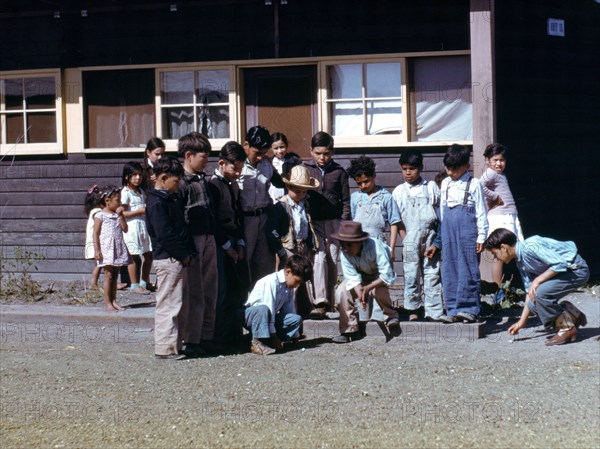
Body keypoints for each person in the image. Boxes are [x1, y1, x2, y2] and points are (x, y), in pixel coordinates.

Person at [484, 228, 589, 346]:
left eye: (495, 254)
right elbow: (530, 290)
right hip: (565, 273)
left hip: (576, 270)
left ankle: (567, 329)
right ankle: (572, 314)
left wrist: (538, 280)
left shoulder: (530, 246)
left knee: (541, 293)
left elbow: (560, 264)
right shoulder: (520, 261)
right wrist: (521, 322)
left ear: (504, 247)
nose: (496, 258)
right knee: (533, 304)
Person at [145, 156, 195, 359]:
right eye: (175, 181)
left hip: (176, 258)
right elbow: (165, 234)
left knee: (177, 302)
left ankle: (175, 343)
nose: (177, 185)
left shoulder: (167, 199)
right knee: (168, 303)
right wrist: (182, 254)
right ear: (163, 178)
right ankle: (165, 348)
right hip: (169, 258)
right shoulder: (157, 203)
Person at [392, 151, 448, 322]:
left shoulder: (430, 187)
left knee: (432, 274)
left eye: (412, 169)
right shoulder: (399, 192)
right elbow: (397, 220)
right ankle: (413, 309)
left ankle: (433, 311)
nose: (408, 172)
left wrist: (436, 243)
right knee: (411, 275)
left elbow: (440, 217)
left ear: (421, 168)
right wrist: (406, 238)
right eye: (404, 169)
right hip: (409, 238)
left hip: (430, 238)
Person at [177, 132, 219, 355]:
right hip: (193, 240)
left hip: (209, 237)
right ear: (189, 155)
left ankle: (207, 335)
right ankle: (191, 339)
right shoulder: (181, 182)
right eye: (203, 157)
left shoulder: (204, 179)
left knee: (210, 288)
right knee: (195, 292)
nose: (206, 161)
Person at [208, 141, 250, 347]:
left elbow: (238, 213)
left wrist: (240, 243)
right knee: (221, 290)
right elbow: (214, 220)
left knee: (237, 288)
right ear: (222, 163)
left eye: (241, 169)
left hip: (235, 240)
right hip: (221, 243)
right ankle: (218, 336)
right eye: (235, 168)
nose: (238, 173)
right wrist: (228, 247)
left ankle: (233, 332)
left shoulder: (234, 184)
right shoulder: (213, 186)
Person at [440, 144, 488, 323]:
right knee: (449, 266)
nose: (450, 172)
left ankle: (469, 308)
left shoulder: (473, 184)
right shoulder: (445, 183)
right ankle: (452, 307)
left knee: (467, 266)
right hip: (448, 228)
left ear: (465, 166)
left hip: (467, 228)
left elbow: (481, 211)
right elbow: (443, 211)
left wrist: (481, 236)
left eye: (454, 169)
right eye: (448, 168)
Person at [304, 132, 351, 314]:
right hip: (314, 222)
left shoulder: (339, 172)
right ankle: (320, 301)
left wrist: (344, 224)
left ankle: (330, 302)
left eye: (326, 153)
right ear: (311, 151)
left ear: (332, 152)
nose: (322, 158)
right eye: (317, 153)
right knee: (319, 258)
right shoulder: (306, 169)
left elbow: (345, 201)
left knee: (332, 259)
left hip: (334, 223)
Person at [331, 221, 400, 343]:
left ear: (359, 241)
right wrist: (361, 295)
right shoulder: (345, 253)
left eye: (349, 245)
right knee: (342, 291)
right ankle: (349, 330)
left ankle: (391, 317)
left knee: (379, 290)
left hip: (379, 274)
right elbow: (352, 278)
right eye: (343, 245)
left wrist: (368, 289)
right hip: (361, 275)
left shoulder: (375, 246)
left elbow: (386, 274)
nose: (346, 249)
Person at [267, 165, 320, 319]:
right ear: (288, 187)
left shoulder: (304, 205)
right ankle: (289, 311)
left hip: (301, 244)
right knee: (291, 280)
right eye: (297, 191)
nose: (300, 194)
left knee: (303, 277)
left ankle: (305, 307)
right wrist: (279, 249)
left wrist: (310, 243)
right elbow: (273, 230)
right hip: (288, 246)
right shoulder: (281, 206)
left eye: (304, 191)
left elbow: (306, 224)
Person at [238, 125, 285, 285]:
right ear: (246, 145)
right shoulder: (237, 164)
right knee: (244, 261)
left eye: (264, 154)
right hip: (245, 219)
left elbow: (281, 183)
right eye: (257, 153)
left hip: (264, 217)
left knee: (265, 261)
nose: (260, 157)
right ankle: (244, 301)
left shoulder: (266, 164)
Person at [242, 255, 313, 355]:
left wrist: (295, 335)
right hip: (253, 316)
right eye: (297, 281)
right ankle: (258, 342)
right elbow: (269, 308)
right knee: (263, 309)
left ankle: (263, 339)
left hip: (269, 318)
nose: (297, 285)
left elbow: (290, 309)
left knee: (296, 319)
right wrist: (274, 335)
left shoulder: (289, 287)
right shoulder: (271, 282)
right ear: (288, 272)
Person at [479, 143, 524, 296]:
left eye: (502, 160)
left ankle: (523, 287)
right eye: (495, 160)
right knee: (500, 255)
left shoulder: (500, 174)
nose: (499, 163)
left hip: (509, 215)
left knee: (518, 250)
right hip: (500, 217)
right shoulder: (490, 173)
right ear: (487, 160)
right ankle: (498, 293)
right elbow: (479, 185)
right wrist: (494, 197)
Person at [347, 155, 401, 260]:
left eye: (366, 181)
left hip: (379, 246)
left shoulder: (386, 197)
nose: (363, 186)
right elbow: (352, 223)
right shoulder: (355, 198)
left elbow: (394, 224)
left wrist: (391, 249)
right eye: (359, 183)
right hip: (359, 247)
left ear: (374, 175)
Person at [93, 185, 131, 312]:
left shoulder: (117, 215)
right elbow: (96, 233)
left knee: (115, 276)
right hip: (107, 249)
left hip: (118, 248)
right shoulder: (100, 215)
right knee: (108, 275)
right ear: (107, 201)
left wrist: (121, 216)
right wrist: (97, 249)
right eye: (117, 201)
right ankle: (107, 303)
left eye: (120, 200)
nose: (119, 203)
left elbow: (125, 229)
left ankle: (114, 301)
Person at [121, 162, 153, 294]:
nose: (138, 178)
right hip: (132, 227)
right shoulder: (125, 192)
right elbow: (121, 213)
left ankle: (144, 282)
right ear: (127, 176)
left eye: (140, 175)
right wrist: (138, 212)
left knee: (149, 254)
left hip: (143, 227)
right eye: (134, 175)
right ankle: (134, 285)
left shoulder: (140, 191)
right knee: (134, 257)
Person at [268, 132, 302, 203]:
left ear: (286, 146)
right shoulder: (268, 162)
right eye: (276, 148)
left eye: (282, 147)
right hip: (271, 196)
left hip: (288, 197)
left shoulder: (294, 161)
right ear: (271, 148)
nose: (279, 151)